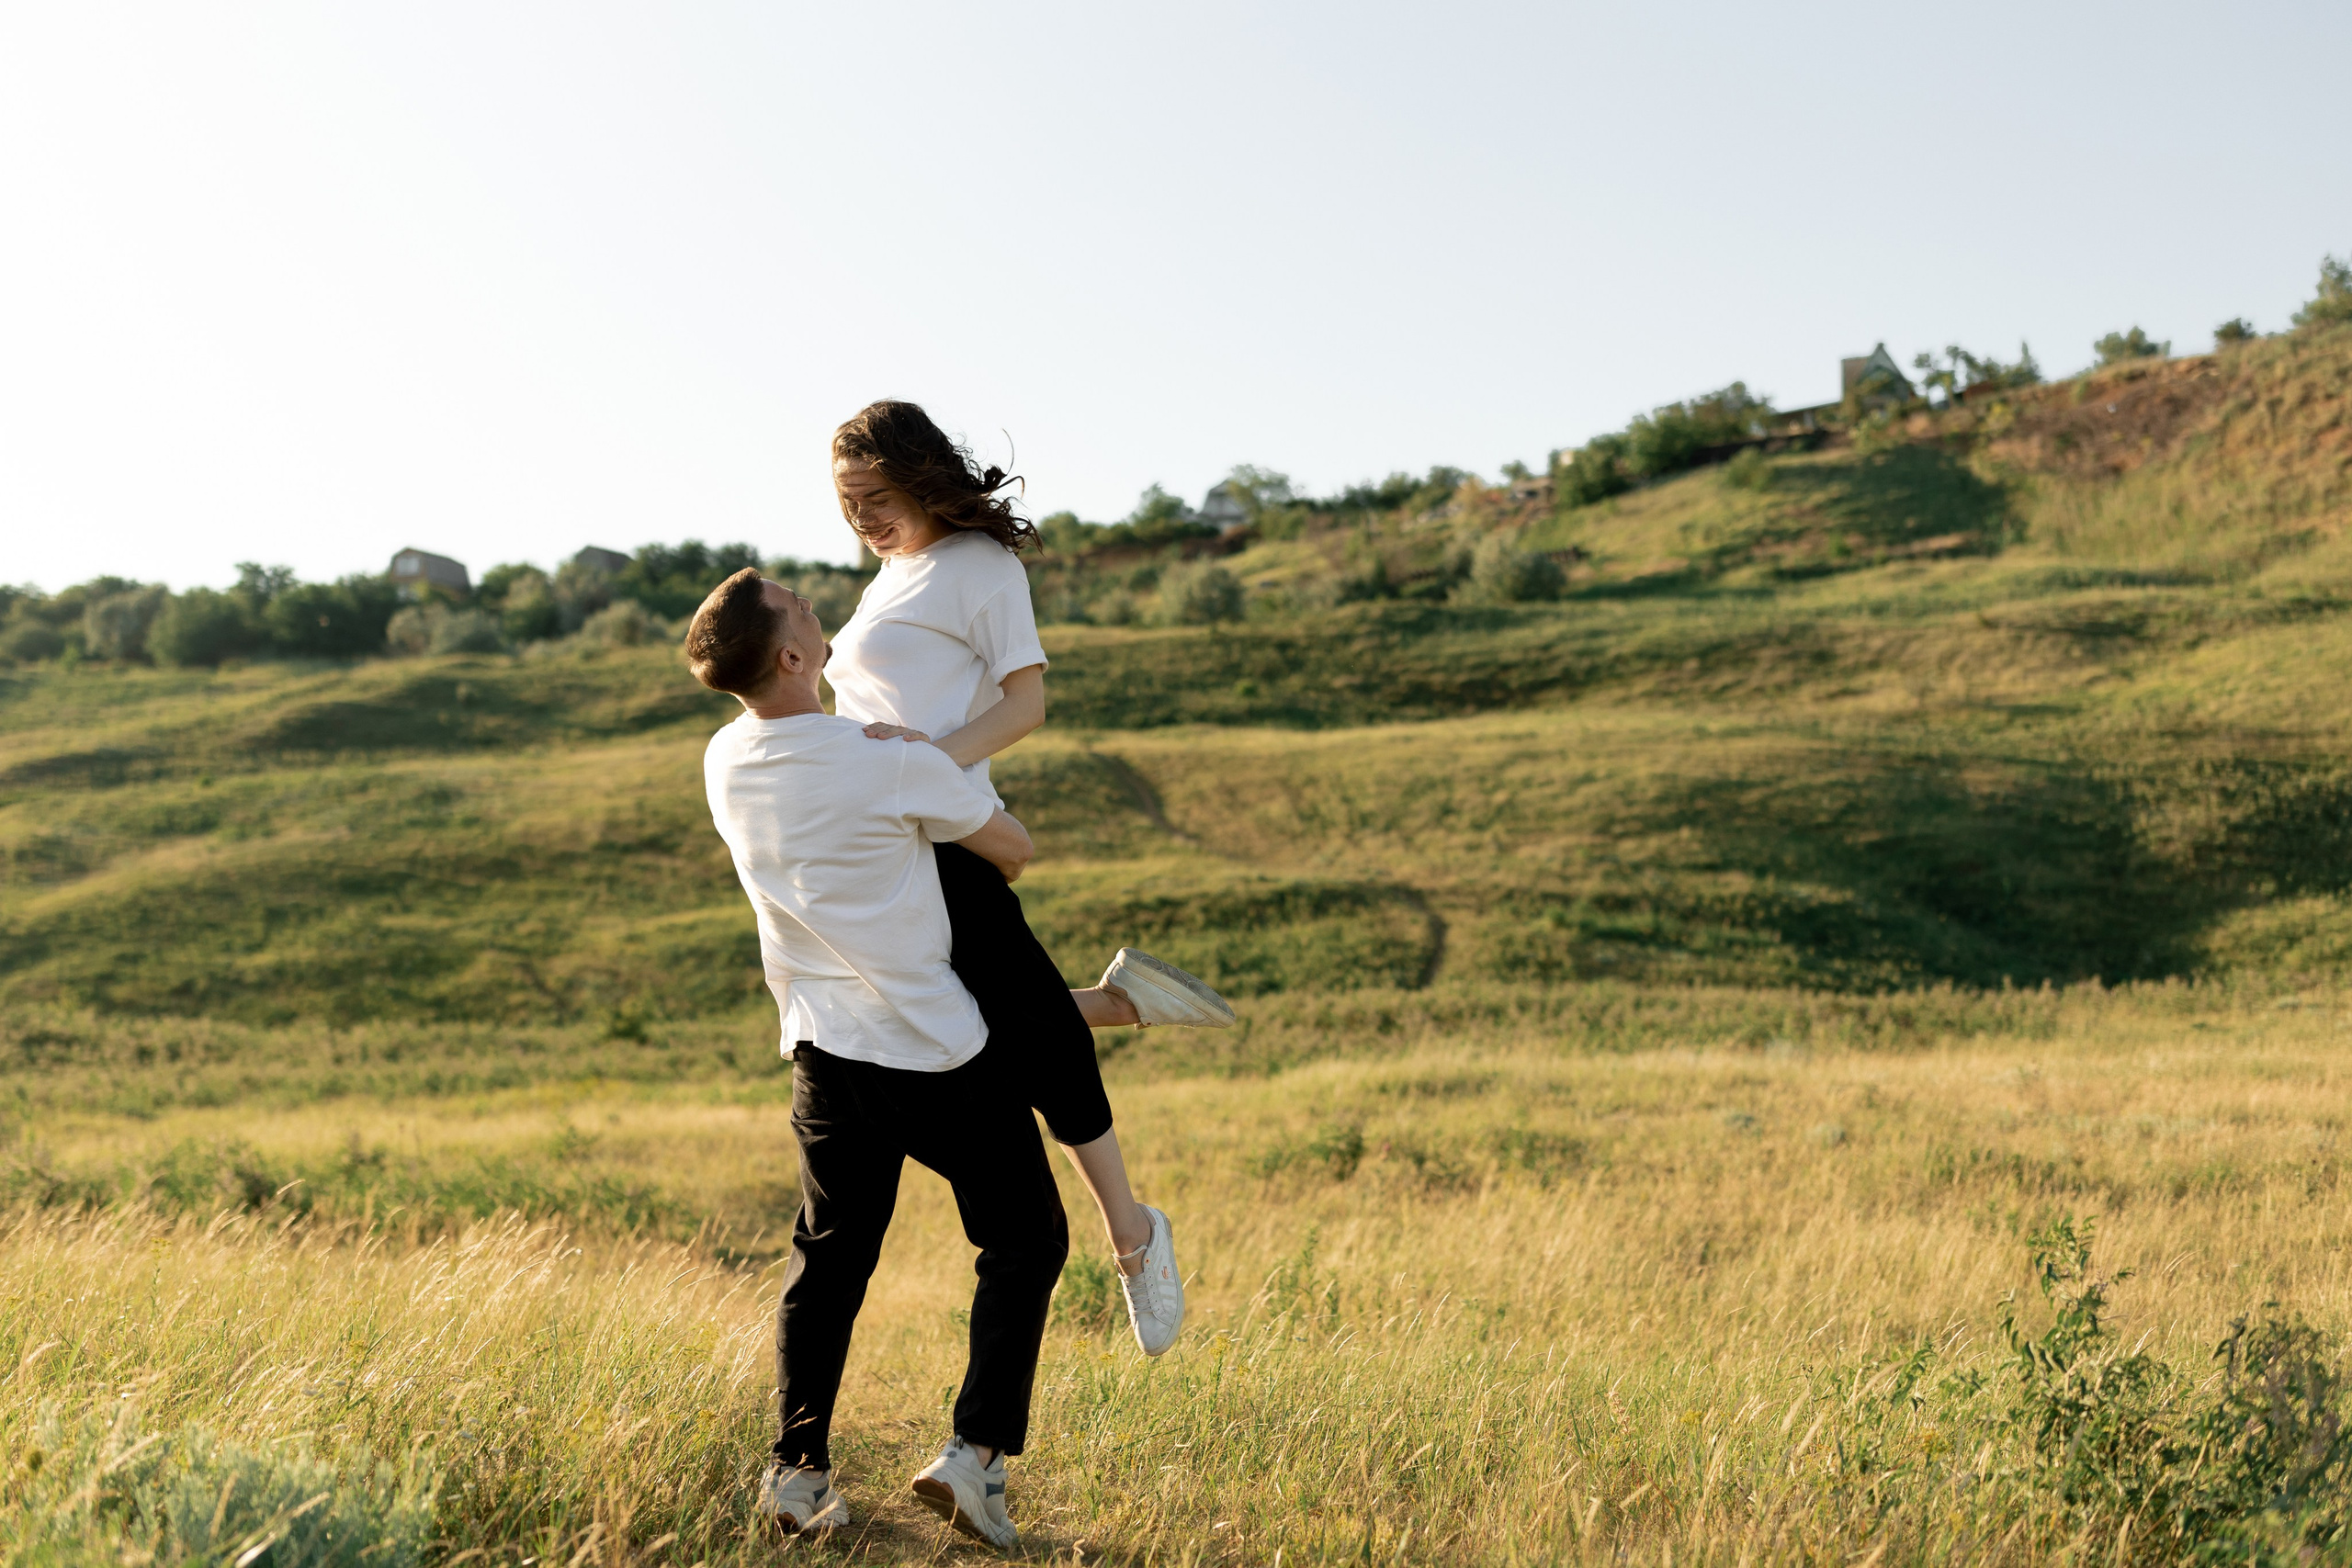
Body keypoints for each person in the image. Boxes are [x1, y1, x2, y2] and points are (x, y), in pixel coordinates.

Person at [823, 400, 1233, 1359]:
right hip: (885, 838)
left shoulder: (979, 567)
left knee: (1015, 1045)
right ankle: (1113, 1005)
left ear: (922, 479)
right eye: (847, 505)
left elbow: (1027, 702)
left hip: (949, 829)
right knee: (964, 1024)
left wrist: (931, 761)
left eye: (876, 498)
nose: (864, 520)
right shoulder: (888, 579)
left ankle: (1130, 1233)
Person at [689, 566, 1059, 1548]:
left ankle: (797, 1473)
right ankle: (974, 1459)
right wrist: (937, 766)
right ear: (794, 656)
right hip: (934, 1052)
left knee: (829, 1263)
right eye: (807, 614)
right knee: (1026, 1239)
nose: (822, 614)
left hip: (820, 1052)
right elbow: (1013, 849)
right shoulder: (883, 757)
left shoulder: (724, 761)